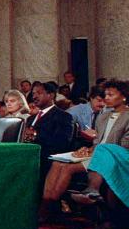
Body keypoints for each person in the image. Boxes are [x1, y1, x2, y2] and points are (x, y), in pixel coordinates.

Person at [41, 80, 129, 220]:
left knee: (68, 168)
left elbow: (124, 146)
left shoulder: (127, 116)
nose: (106, 98)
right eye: (105, 95)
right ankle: (48, 205)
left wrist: (96, 150)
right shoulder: (103, 116)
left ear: (124, 96)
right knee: (57, 163)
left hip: (117, 156)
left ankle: (90, 192)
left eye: (110, 95)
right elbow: (97, 141)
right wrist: (87, 150)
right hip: (98, 152)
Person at [24, 81, 75, 178]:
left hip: (46, 161)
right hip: (27, 157)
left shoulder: (63, 116)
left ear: (51, 95)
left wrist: (35, 135)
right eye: (33, 93)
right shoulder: (30, 119)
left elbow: (62, 143)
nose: (34, 97)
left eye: (39, 93)